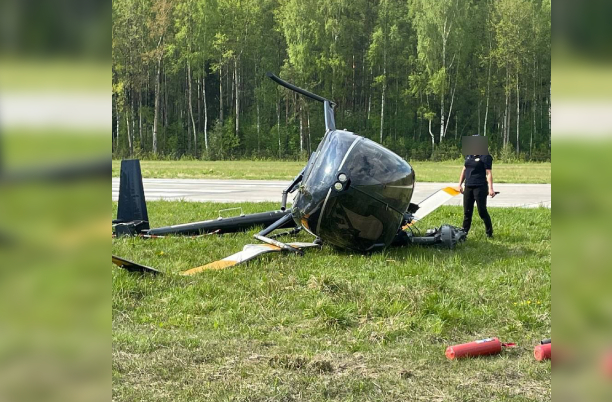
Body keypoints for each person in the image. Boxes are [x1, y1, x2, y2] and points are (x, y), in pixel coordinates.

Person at [458, 149, 496, 238]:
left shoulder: (485, 156)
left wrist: (490, 188)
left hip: (480, 187)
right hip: (468, 186)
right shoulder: (469, 155)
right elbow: (464, 170)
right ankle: (464, 232)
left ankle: (489, 232)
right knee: (467, 211)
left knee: (482, 211)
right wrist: (459, 184)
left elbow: (488, 173)